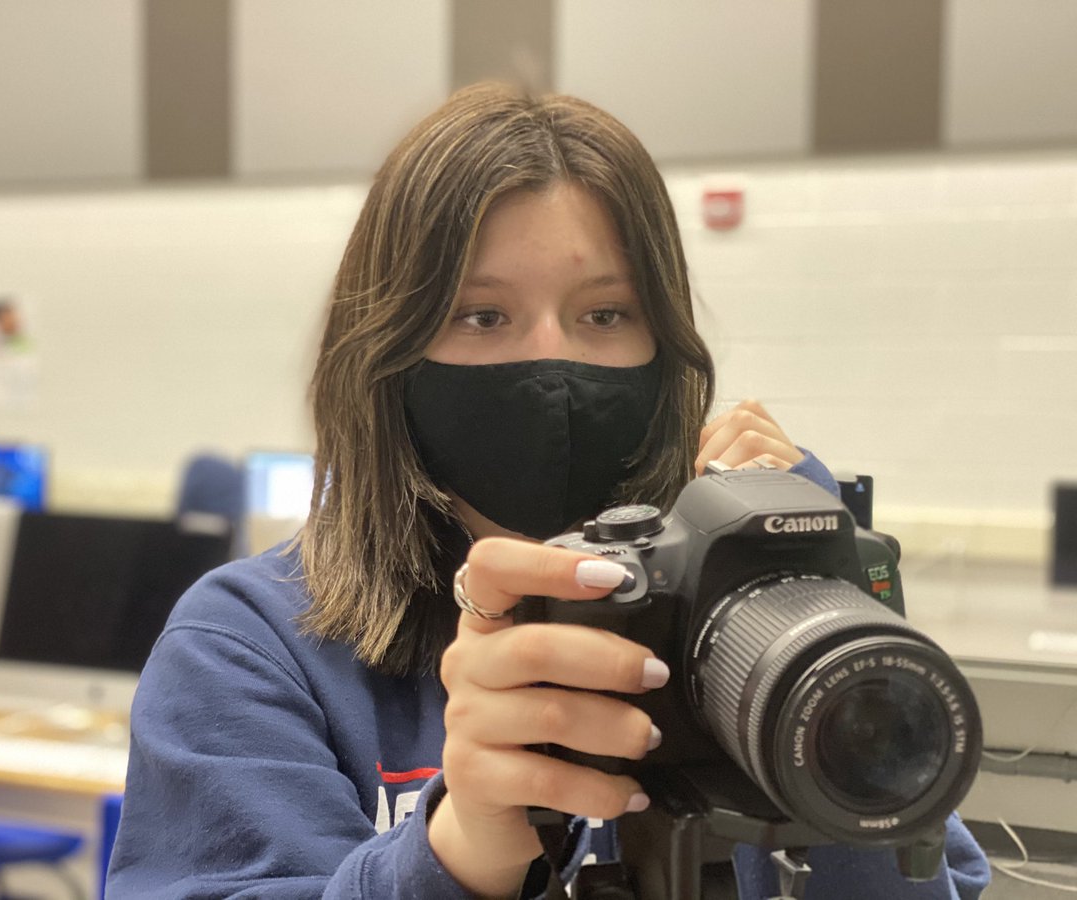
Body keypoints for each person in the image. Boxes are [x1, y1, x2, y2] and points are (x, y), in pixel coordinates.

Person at [107, 83, 989, 899]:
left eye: (604, 315)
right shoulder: (249, 648)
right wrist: (457, 847)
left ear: (666, 340)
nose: (550, 362)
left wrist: (822, 623)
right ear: (387, 352)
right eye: (481, 316)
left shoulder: (743, 626)